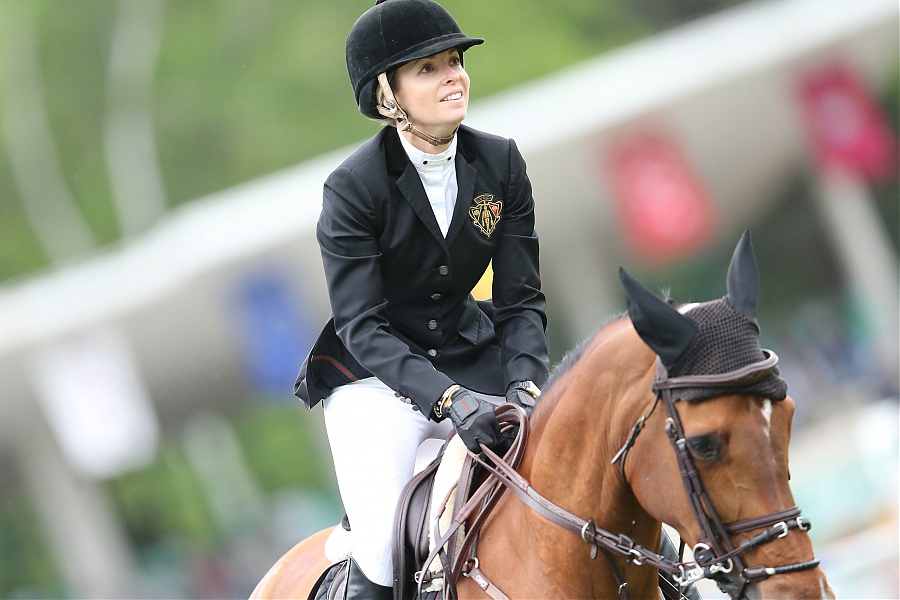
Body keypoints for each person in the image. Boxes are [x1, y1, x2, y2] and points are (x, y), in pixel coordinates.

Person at [293, 1, 550, 597]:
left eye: (455, 61)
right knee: (383, 553)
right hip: (375, 383)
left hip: (472, 355)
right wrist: (449, 399)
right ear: (388, 96)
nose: (453, 77)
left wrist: (524, 382)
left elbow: (520, 299)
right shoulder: (352, 190)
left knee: (586, 465)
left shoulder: (501, 162)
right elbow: (361, 325)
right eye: (428, 69)